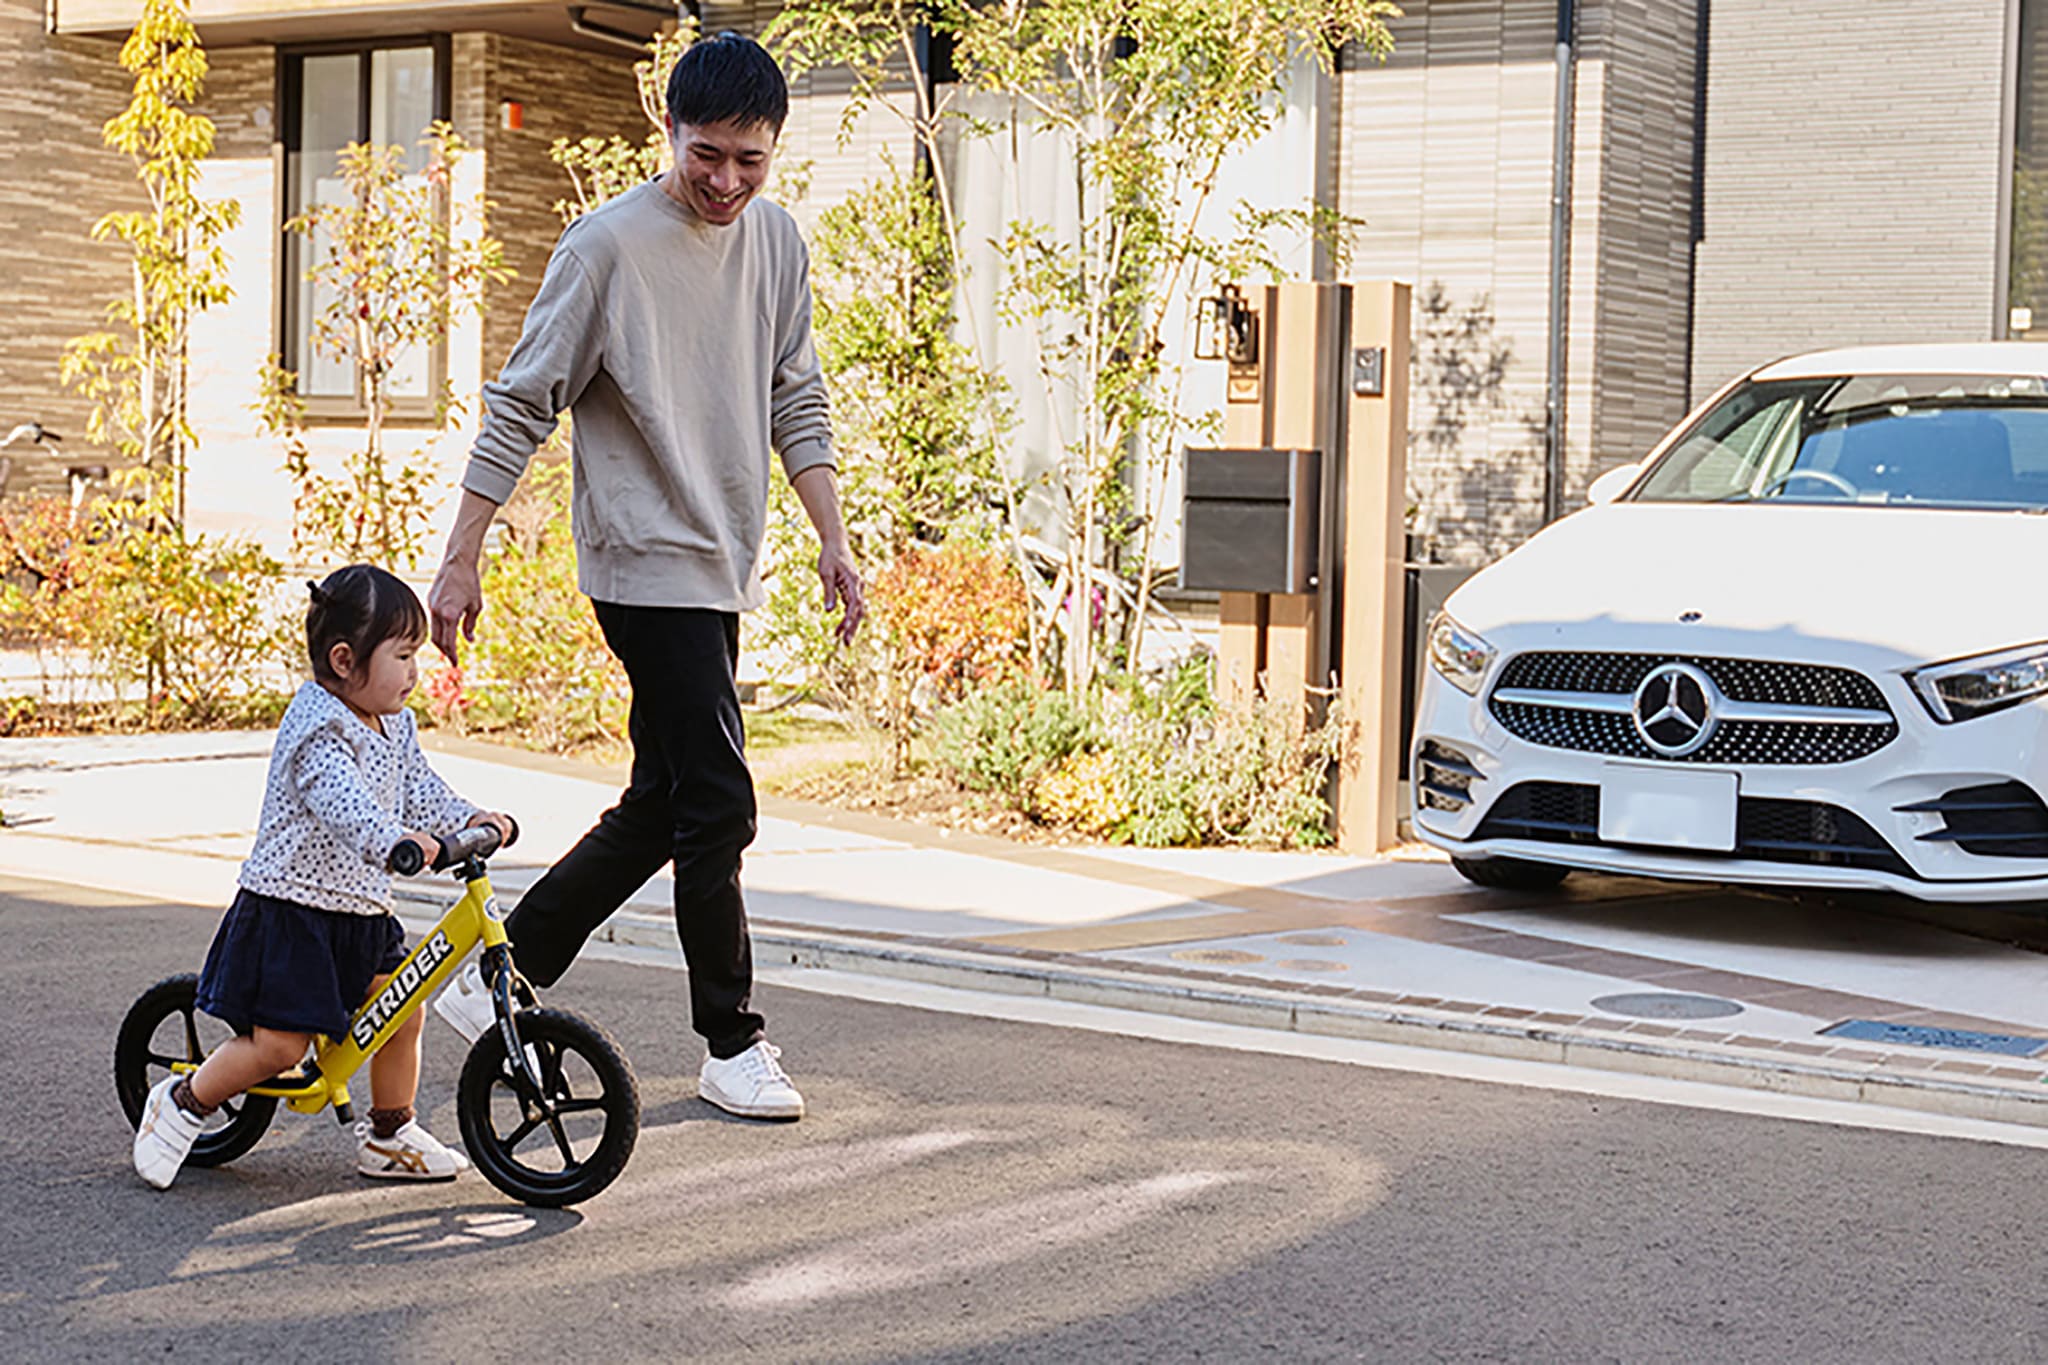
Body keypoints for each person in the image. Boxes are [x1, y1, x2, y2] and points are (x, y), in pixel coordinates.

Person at [426, 32, 861, 1123]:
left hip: (721, 565)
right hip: (640, 560)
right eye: (705, 156)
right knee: (716, 800)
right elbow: (523, 400)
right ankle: (731, 1041)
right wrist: (462, 550)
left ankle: (501, 974)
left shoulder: (775, 246)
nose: (723, 182)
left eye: (748, 162)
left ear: (772, 151)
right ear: (665, 131)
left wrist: (832, 538)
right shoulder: (605, 247)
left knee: (665, 799)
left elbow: (794, 399)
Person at [132, 565, 516, 1190]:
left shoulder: (395, 723)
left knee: (402, 1010)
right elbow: (345, 804)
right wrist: (392, 841)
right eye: (401, 655)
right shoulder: (318, 729)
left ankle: (391, 1134)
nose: (414, 671)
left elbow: (420, 789)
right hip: (293, 912)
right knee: (281, 1048)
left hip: (362, 912)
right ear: (344, 660)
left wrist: (470, 818)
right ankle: (181, 1104)